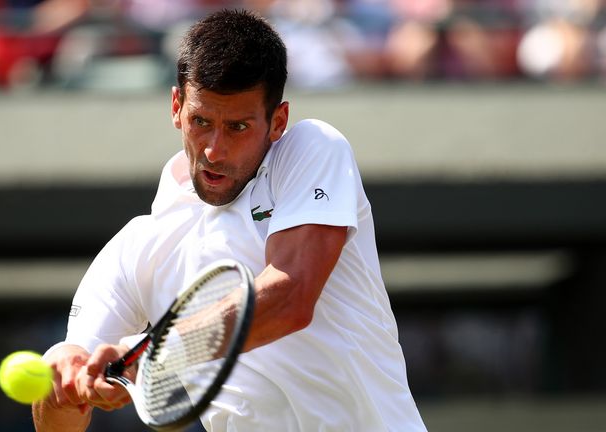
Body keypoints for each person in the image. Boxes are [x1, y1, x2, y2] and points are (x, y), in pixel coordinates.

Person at [33, 8, 427, 431]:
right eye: (201, 121)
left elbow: (290, 299)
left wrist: (153, 353)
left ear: (277, 122)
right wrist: (61, 383)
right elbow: (62, 415)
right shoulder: (135, 249)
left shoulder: (312, 149)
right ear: (176, 107)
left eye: (238, 127)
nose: (214, 150)